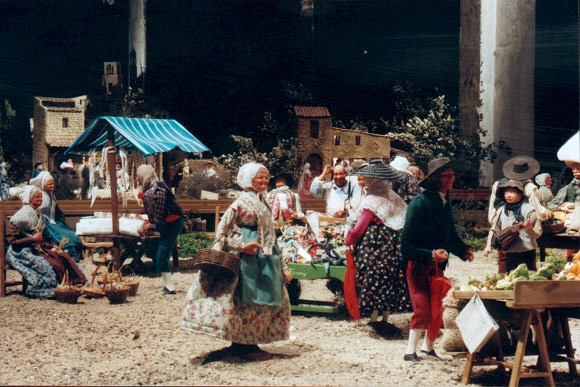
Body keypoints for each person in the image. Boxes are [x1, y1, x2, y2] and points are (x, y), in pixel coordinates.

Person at [181, 162, 292, 361]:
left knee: (264, 299)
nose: (264, 181)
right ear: (249, 178)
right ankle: (242, 344)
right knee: (243, 301)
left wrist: (283, 267)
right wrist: (242, 245)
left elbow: (271, 237)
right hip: (245, 262)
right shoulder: (240, 203)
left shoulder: (263, 202)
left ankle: (250, 341)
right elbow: (221, 232)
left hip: (266, 259)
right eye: (260, 177)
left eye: (266, 177)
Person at [401, 157, 474, 362]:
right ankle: (409, 352)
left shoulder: (444, 201)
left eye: (452, 175)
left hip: (436, 268)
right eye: (447, 176)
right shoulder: (419, 204)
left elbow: (449, 235)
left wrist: (464, 250)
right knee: (422, 308)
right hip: (417, 266)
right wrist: (432, 254)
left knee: (436, 310)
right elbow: (406, 246)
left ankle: (427, 349)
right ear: (436, 180)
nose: (452, 178)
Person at [345, 160, 411, 324]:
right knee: (390, 277)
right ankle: (385, 317)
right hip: (392, 242)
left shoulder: (373, 199)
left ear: (372, 180)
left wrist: (349, 239)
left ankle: (374, 316)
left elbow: (361, 226)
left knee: (374, 278)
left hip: (375, 244)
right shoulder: (390, 194)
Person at [6, 186, 87, 298]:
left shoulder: (39, 216)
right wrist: (32, 239)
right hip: (19, 251)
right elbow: (13, 241)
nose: (40, 199)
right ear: (29, 198)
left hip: (36, 247)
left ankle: (72, 284)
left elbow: (44, 237)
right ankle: (42, 290)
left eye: (41, 197)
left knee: (61, 256)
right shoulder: (20, 216)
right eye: (37, 197)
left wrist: (53, 246)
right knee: (44, 264)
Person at [136, 164, 184, 295]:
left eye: (139, 177)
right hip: (172, 221)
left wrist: (146, 227)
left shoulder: (154, 192)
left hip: (172, 223)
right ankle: (168, 285)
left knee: (162, 254)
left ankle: (170, 287)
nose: (137, 180)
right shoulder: (159, 187)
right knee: (161, 253)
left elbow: (158, 222)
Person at [29, 171, 84, 262]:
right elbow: (36, 209)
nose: (52, 186)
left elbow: (56, 210)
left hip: (53, 220)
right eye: (50, 184)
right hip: (45, 222)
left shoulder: (51, 196)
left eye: (53, 184)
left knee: (70, 233)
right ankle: (69, 253)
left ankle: (75, 252)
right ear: (44, 185)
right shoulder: (41, 196)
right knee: (61, 235)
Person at [491, 180, 542, 273]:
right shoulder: (501, 211)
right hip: (507, 252)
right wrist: (488, 247)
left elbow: (537, 235)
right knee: (507, 280)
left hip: (526, 252)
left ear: (520, 194)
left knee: (527, 281)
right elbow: (495, 230)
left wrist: (529, 228)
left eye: (512, 192)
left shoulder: (529, 210)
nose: (508, 195)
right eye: (506, 192)